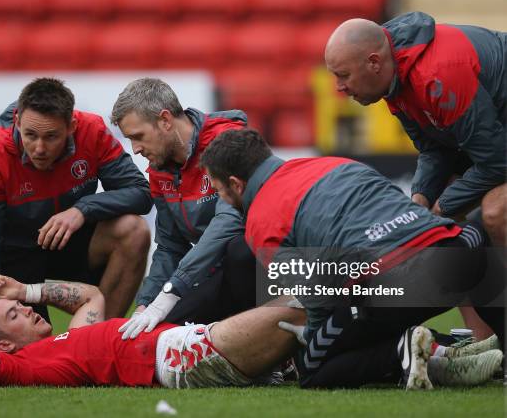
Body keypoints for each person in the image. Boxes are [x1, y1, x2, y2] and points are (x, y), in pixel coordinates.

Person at [199, 128, 504, 388]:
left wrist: (315, 337)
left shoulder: (261, 221)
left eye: (219, 190)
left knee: (313, 367)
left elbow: (315, 295)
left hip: (393, 286)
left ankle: (401, 350)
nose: (222, 200)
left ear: (236, 184)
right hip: (459, 253)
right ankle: (468, 350)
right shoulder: (332, 163)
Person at [0, 276, 499, 389]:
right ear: (4, 348)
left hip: (190, 339)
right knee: (307, 294)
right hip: (182, 357)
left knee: (312, 345)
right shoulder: (27, 367)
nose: (29, 315)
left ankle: (443, 356)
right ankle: (417, 332)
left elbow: (92, 296)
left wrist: (30, 292)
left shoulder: (67, 340)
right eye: (17, 318)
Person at [0, 77, 153, 320]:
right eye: (30, 135)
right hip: (16, 262)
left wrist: (82, 210)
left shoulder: (91, 132)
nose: (39, 148)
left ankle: (97, 342)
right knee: (32, 354)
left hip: (71, 247)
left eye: (51, 136)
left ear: (72, 126)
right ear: (17, 122)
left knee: (134, 229)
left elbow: (140, 192)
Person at [323, 12, 506, 247]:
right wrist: (420, 199)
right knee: (434, 208)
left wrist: (442, 207)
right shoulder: (394, 78)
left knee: (496, 211)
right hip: (498, 135)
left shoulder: (436, 76)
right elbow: (434, 149)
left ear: (374, 62)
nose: (339, 87)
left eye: (343, 75)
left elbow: (497, 162)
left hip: (498, 150)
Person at [109, 78, 257, 339]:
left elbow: (230, 221)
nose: (135, 149)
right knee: (155, 333)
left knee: (239, 249)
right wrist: (145, 304)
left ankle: (272, 350)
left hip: (260, 268)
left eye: (138, 136)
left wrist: (173, 289)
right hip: (212, 275)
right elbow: (169, 246)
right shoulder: (159, 171)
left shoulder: (228, 141)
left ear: (165, 120)